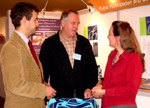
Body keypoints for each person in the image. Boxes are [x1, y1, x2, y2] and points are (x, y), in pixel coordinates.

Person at [0, 2, 56, 108]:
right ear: (24, 20)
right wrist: (43, 90)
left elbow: (33, 76)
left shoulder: (26, 45)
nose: (37, 23)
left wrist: (45, 86)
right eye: (35, 19)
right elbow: (15, 85)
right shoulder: (12, 47)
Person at [39, 9, 98, 99]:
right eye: (73, 23)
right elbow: (43, 72)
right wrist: (45, 91)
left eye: (78, 23)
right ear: (63, 23)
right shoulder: (49, 44)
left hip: (82, 99)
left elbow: (92, 69)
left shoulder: (84, 43)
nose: (76, 26)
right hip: (59, 99)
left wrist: (89, 88)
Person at [92, 21, 145, 108]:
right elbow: (108, 82)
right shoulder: (112, 55)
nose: (107, 36)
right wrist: (99, 87)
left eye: (110, 34)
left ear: (118, 37)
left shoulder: (133, 58)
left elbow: (130, 90)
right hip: (106, 104)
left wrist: (104, 92)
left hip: (123, 105)